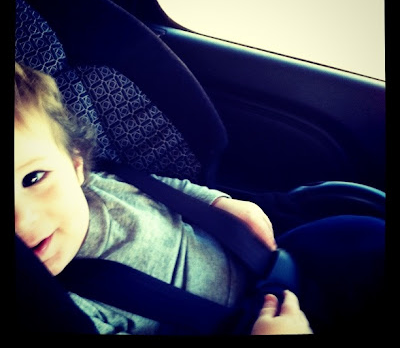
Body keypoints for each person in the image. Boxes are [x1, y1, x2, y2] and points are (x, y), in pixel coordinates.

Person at [14, 62, 384, 335]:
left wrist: (220, 204)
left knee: (358, 233)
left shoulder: (103, 186)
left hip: (269, 265)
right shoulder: (64, 310)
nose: (21, 220)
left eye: (33, 178)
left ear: (76, 166)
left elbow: (167, 189)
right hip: (244, 325)